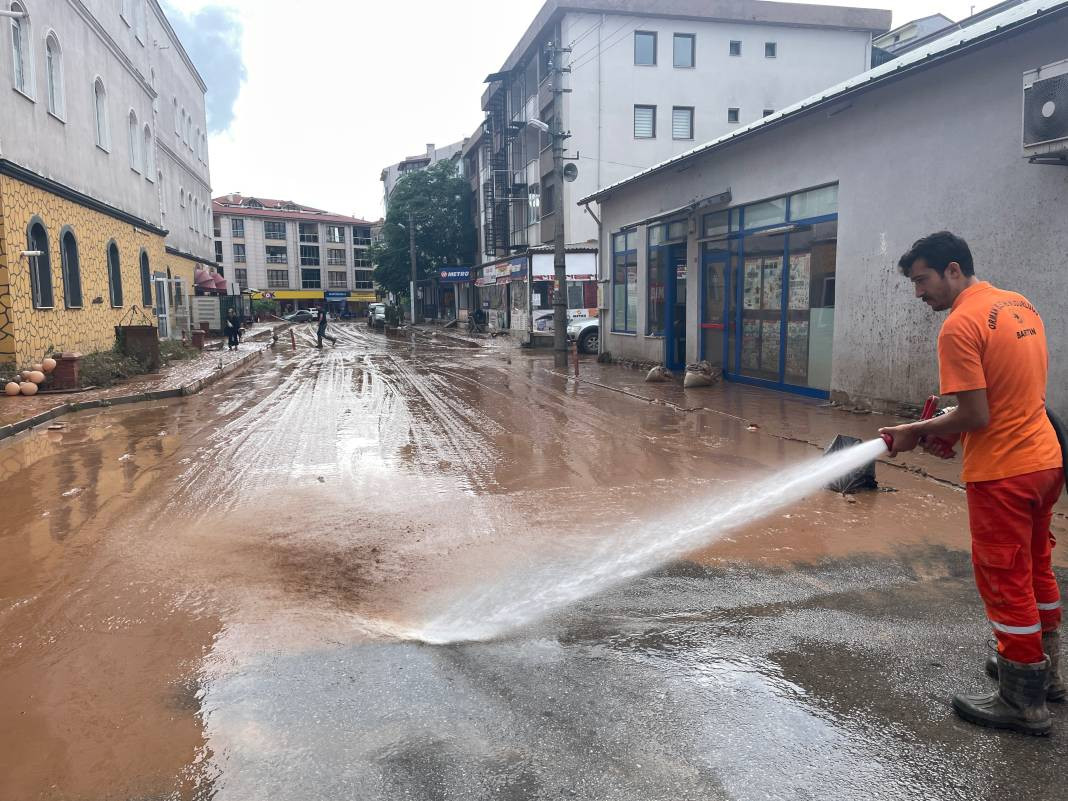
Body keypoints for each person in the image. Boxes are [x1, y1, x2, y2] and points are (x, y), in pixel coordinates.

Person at [879, 231, 1064, 736]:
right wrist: (949, 426)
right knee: (1036, 566)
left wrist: (915, 430)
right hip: (1045, 461)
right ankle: (1045, 672)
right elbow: (1008, 395)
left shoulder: (959, 324)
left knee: (1004, 578)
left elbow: (977, 414)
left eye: (923, 280)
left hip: (1004, 472)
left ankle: (1021, 699)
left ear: (953, 269)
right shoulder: (1019, 305)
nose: (919, 293)